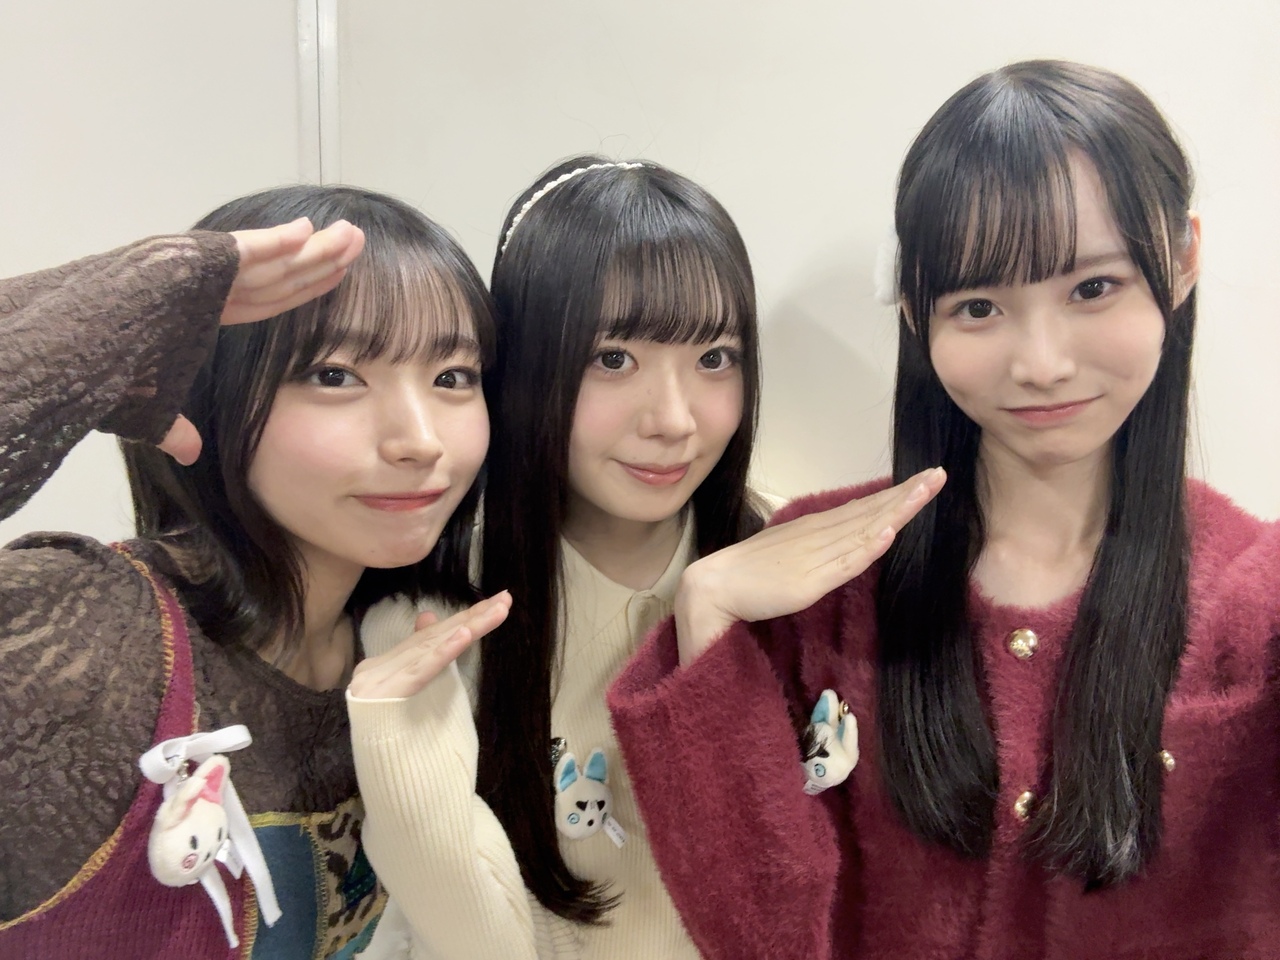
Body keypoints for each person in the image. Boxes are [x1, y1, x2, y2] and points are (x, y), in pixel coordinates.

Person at [607, 60, 1280, 959]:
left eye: (1092, 288)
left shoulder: (1255, 602)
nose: (1040, 363)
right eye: (979, 305)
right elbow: (761, 936)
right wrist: (708, 609)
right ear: (917, 313)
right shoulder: (822, 580)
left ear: (1182, 259)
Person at [350, 156, 912, 960]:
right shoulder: (432, 618)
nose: (674, 420)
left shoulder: (796, 569)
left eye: (714, 358)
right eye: (613, 358)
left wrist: (709, 615)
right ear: (529, 365)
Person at [0, 185, 511, 959]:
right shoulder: (82, 632)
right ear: (211, 394)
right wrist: (113, 306)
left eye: (453, 376)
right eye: (334, 375)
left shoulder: (409, 644)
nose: (420, 440)